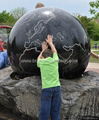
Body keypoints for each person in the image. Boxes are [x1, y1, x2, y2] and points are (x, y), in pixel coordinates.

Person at [37, 35, 61, 120]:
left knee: (45, 109)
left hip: (46, 88)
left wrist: (43, 49)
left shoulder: (41, 63)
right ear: (51, 56)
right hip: (57, 87)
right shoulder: (55, 61)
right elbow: (55, 51)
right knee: (56, 110)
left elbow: (38, 58)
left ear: (43, 57)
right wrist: (50, 43)